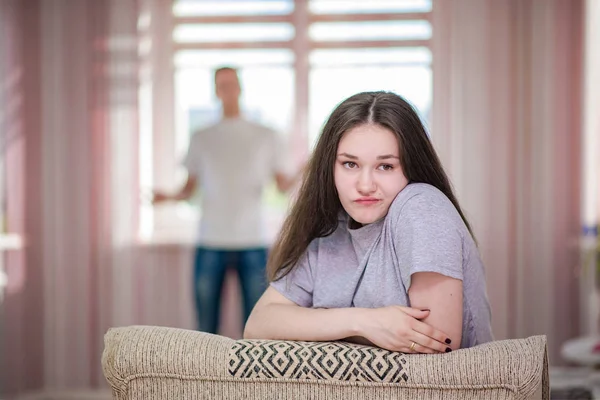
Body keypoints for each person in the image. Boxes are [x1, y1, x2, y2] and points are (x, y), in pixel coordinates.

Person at [244, 91, 493, 353]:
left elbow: (438, 345)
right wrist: (363, 322)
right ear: (329, 168)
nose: (365, 185)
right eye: (350, 164)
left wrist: (319, 325)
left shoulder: (421, 206)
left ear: (410, 166)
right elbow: (258, 324)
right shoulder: (331, 232)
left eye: (385, 166)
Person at [153, 67, 299, 334]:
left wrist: (309, 165)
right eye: (222, 85)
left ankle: (253, 378)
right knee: (206, 329)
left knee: (258, 329)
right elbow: (188, 189)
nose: (228, 90)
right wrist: (166, 197)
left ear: (240, 87)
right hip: (210, 241)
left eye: (232, 84)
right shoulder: (202, 137)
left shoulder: (266, 135)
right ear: (216, 91)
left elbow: (282, 187)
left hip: (253, 241)